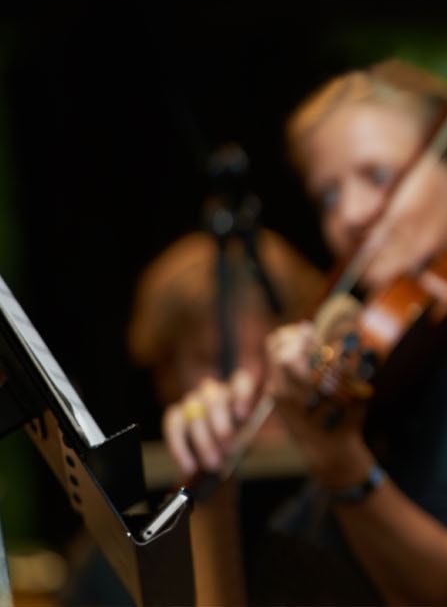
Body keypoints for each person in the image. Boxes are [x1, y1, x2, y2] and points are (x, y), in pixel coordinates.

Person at [164, 59, 447, 605]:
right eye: (327, 195)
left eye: (378, 176)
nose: (349, 214)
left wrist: (341, 463)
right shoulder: (395, 373)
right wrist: (212, 450)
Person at [61, 227, 323, 606]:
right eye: (214, 360)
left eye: (268, 350)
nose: (247, 383)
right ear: (167, 372)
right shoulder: (117, 559)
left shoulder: (343, 506)